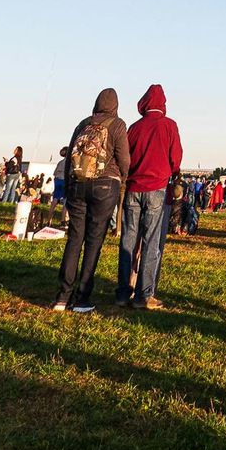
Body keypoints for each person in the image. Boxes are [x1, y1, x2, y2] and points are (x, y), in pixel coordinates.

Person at [52, 89, 130, 314]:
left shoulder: (83, 123)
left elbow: (69, 159)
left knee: (75, 239)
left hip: (77, 184)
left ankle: (62, 296)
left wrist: (68, 187)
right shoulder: (117, 124)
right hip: (106, 185)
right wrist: (122, 178)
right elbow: (124, 158)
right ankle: (82, 298)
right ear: (115, 105)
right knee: (94, 241)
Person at [118, 84, 183, 309]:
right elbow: (176, 157)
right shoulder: (169, 126)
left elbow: (125, 158)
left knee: (128, 239)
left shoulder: (134, 128)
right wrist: (173, 172)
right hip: (156, 188)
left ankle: (123, 292)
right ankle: (144, 295)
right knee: (151, 241)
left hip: (134, 188)